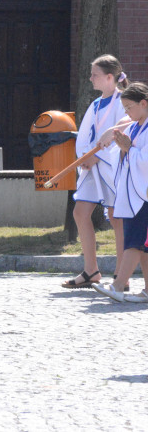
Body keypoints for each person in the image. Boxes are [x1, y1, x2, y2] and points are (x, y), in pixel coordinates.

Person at [61, 54, 128, 289]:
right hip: (91, 167)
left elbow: (121, 134)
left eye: (95, 75)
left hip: (110, 167)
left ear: (110, 77)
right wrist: (85, 157)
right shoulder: (96, 103)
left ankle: (122, 275)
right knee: (80, 212)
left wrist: (97, 156)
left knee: (116, 218)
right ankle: (91, 270)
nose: (90, 79)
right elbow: (87, 134)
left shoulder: (123, 102)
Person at [92, 82, 148, 302]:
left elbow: (144, 161)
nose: (126, 112)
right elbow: (125, 156)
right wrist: (122, 149)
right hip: (134, 193)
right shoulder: (135, 126)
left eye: (129, 107)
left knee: (134, 241)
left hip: (142, 195)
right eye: (124, 108)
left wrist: (128, 149)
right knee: (143, 245)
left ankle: (117, 286)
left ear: (143, 103)